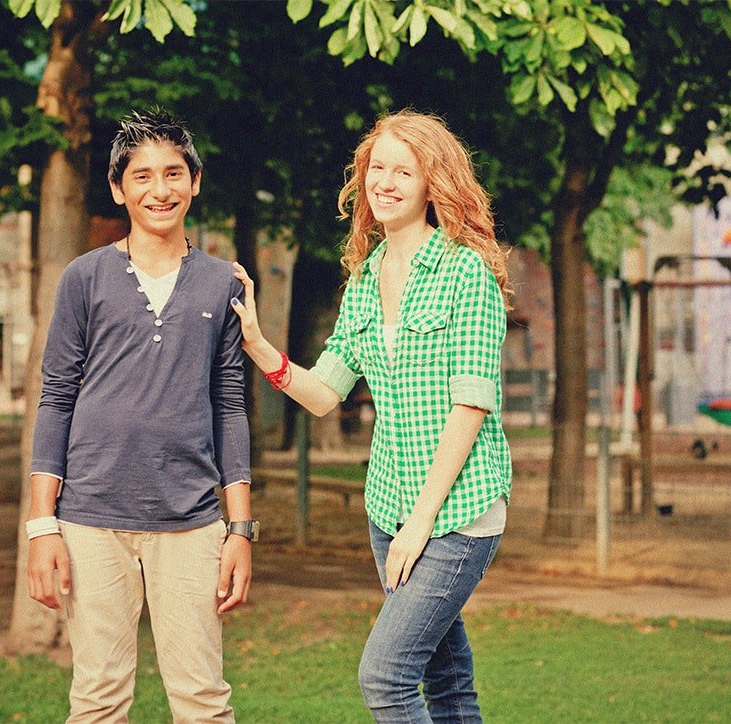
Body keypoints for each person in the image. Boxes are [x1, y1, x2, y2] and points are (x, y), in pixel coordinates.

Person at [230, 109, 512, 723]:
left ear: (432, 184)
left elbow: (470, 406)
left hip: (456, 514)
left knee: (384, 678)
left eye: (402, 171)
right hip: (389, 507)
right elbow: (325, 391)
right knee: (447, 682)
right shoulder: (362, 282)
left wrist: (421, 523)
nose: (384, 182)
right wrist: (256, 343)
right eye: (375, 168)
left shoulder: (467, 273)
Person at [25, 108, 256, 723]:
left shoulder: (222, 284)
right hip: (91, 520)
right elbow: (57, 398)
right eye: (143, 176)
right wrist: (40, 526)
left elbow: (229, 406)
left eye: (174, 173)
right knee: (99, 699)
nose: (160, 190)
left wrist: (241, 530)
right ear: (118, 189)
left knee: (203, 700)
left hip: (192, 521)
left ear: (196, 181)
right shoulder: (84, 278)